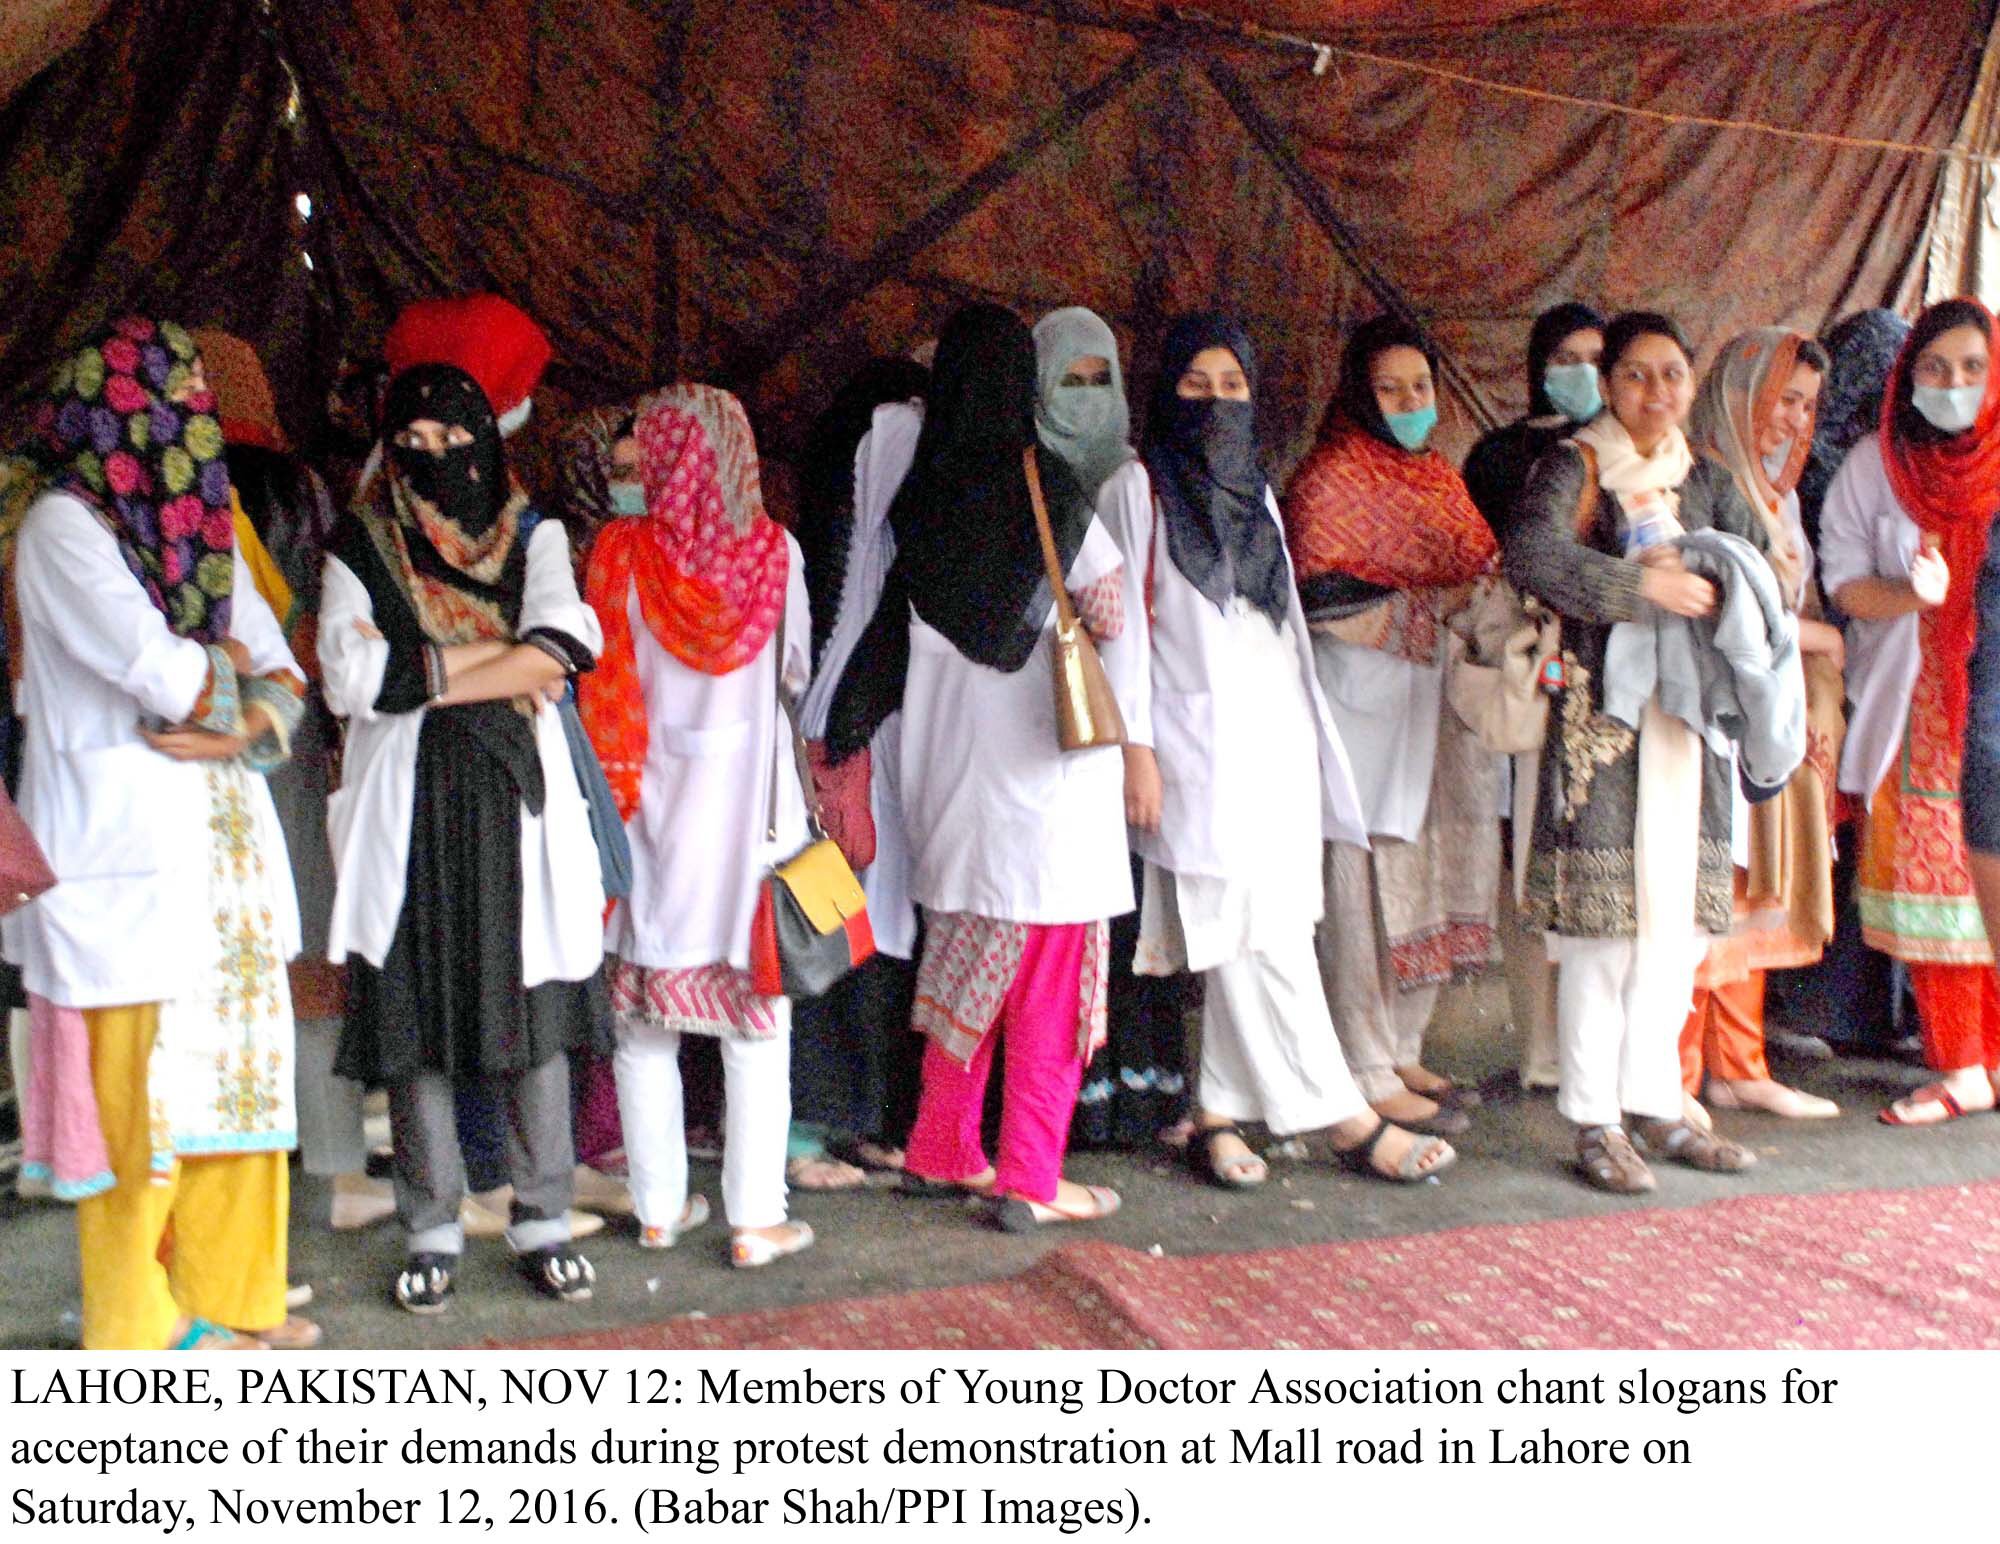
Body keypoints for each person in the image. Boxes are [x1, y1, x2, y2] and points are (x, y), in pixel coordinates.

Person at [6, 318, 311, 1349]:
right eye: (164, 406)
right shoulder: (60, 528)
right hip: (118, 866)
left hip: (223, 862)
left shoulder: (205, 526)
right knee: (139, 1121)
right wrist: (236, 690)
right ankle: (138, 1332)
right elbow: (163, 673)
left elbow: (281, 674)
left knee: (233, 1094)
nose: (185, 426)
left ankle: (221, 1304)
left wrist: (246, 702)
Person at [1122, 311, 1453, 1186]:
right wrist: (1136, 746)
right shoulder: (1139, 487)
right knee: (1252, 927)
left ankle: (1218, 1112)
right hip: (1194, 749)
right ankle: (1341, 1115)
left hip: (1276, 741)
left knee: (1268, 921)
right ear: (1166, 391)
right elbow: (1120, 635)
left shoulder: (1259, 494)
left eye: (1234, 385)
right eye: (1197, 385)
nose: (1218, 402)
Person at [826, 302, 1137, 1231]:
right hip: (1045, 800)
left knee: (960, 982)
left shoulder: (918, 497)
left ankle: (944, 1147)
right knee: (1048, 996)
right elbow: (1111, 612)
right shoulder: (1050, 486)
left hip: (949, 794)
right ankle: (1032, 1177)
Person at [319, 355, 607, 1314]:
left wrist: (437, 669)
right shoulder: (360, 542)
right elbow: (351, 681)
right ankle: (432, 1226)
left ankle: (543, 1217)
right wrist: (503, 659)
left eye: (454, 439)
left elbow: (566, 647)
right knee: (415, 1024)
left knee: (532, 1017)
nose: (437, 459)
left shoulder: (537, 533)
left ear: (489, 438)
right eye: (413, 444)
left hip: (513, 802)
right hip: (408, 812)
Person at [1505, 311, 1771, 1192]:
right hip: (1602, 723)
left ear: (1692, 385)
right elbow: (1533, 555)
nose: (1656, 395)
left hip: (1691, 727)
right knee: (1601, 932)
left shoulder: (1710, 480)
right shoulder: (1575, 464)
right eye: (1635, 378)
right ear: (1608, 385)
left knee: (1675, 929)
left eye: (1672, 376)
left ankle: (1659, 1101)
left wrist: (1721, 581)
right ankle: (1593, 1115)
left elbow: (1763, 569)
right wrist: (1639, 586)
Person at [580, 383, 819, 1266]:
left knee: (645, 1029)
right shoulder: (775, 555)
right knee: (758, 1031)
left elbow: (593, 677)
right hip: (751, 829)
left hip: (647, 815)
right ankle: (755, 1220)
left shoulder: (618, 557)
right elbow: (794, 671)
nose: (633, 478)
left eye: (646, 461)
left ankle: (656, 1208)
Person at [1283, 313, 1500, 1137]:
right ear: (1358, 395)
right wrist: (1423, 609)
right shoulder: (1332, 477)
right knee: (1360, 882)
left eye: (1420, 387)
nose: (1410, 402)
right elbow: (1317, 595)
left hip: (1432, 709)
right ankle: (1362, 1064)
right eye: (1390, 389)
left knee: (1429, 867)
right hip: (1360, 711)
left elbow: (1476, 566)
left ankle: (1405, 1047)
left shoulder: (1439, 476)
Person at [1819, 297, 2000, 1124]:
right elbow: (1843, 579)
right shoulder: (1877, 464)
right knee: (1938, 890)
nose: (1955, 383)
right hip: (1913, 707)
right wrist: (1906, 595)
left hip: (1989, 698)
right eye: (1935, 368)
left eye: (1971, 367)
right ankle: (1962, 1064)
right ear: (1906, 377)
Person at [1027, 307, 1196, 1151]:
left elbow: (1132, 619)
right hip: (1044, 733)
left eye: (1102, 380)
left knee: (1128, 927)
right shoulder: (1021, 474)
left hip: (1124, 733)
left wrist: (1139, 746)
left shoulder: (1134, 478)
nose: (1087, 399)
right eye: (1069, 380)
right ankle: (1079, 1109)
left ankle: (1142, 1098)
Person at [1678, 329, 1845, 1119]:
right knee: (1700, 886)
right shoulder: (1697, 480)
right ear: (1742, 394)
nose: (1793, 419)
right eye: (1783, 399)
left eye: (1807, 405)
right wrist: (1822, 642)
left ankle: (1738, 1066)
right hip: (1713, 711)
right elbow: (1728, 610)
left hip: (1774, 715)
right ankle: (1671, 1076)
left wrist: (1818, 696)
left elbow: (1793, 609)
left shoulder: (1782, 495)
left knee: (1755, 885)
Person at [791, 357, 933, 1181]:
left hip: (877, 746)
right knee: (833, 941)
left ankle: (871, 1117)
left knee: (878, 942)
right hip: (837, 749)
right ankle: (814, 1128)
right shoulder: (823, 574)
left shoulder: (893, 579)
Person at [1462, 304, 1606, 1095]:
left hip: (1609, 683)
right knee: (1526, 856)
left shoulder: (1622, 455)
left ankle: (1596, 1047)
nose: (1581, 371)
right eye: (1565, 356)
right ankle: (1542, 1048)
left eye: (1596, 356)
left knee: (1598, 852)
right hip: (1530, 676)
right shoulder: (1500, 457)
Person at [1767, 308, 1915, 1056]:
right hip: (1824, 671)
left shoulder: (1908, 457)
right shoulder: (1817, 461)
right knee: (1835, 838)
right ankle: (1823, 1008)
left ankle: (1886, 1013)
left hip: (1878, 672)